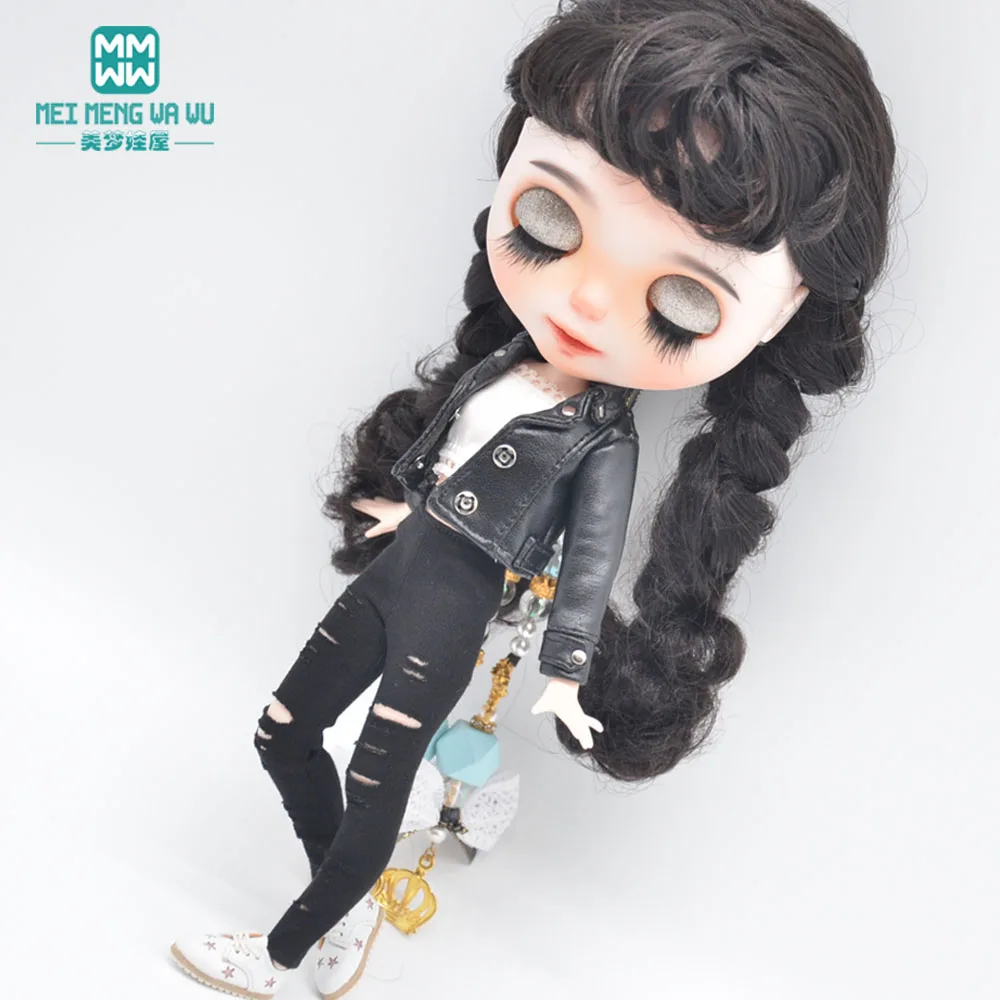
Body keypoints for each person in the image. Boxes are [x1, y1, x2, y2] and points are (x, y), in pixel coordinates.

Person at [170, 1, 899, 995]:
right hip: (397, 573)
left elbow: (588, 565)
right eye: (553, 218)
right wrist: (405, 506)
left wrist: (563, 669)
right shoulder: (505, 361)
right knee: (280, 732)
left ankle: (283, 952)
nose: (588, 301)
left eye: (684, 298)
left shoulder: (604, 443)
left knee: (377, 785)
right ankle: (342, 903)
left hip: (446, 616)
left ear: (783, 316)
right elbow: (458, 454)